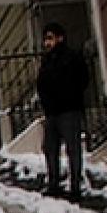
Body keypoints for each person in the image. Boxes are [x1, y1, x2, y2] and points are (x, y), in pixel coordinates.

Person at [36, 22, 89, 201]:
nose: (47, 43)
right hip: (52, 112)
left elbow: (83, 80)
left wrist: (70, 96)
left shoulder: (72, 58)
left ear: (60, 38)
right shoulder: (47, 61)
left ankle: (75, 186)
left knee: (72, 149)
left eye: (50, 38)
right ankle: (54, 183)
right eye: (45, 39)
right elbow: (42, 84)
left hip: (69, 110)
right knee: (50, 148)